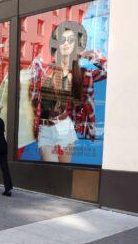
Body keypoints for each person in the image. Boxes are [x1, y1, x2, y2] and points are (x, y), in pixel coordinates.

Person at [27, 21, 107, 163]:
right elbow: (30, 91)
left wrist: (87, 54)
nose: (66, 43)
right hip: (45, 128)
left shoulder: (83, 74)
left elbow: (106, 69)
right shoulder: (44, 68)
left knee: (63, 171)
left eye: (71, 40)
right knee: (50, 168)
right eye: (62, 39)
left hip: (65, 127)